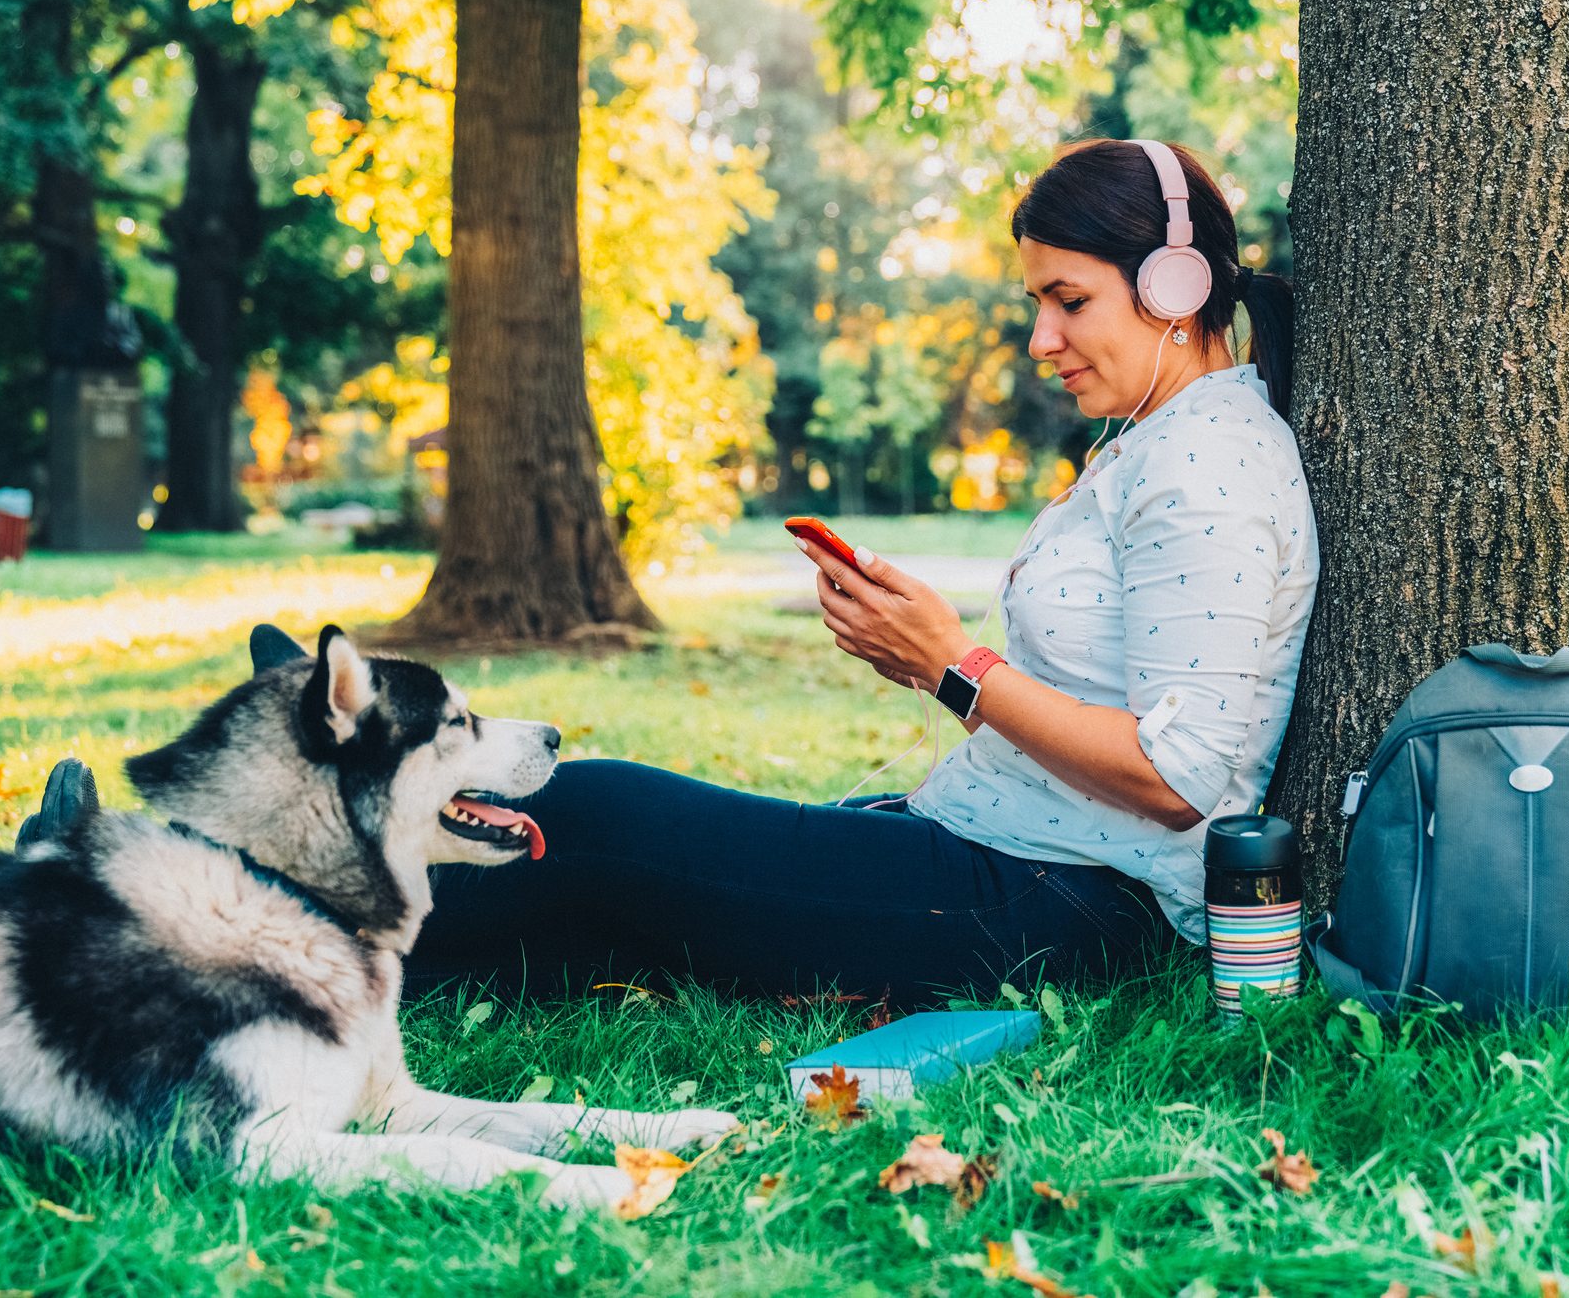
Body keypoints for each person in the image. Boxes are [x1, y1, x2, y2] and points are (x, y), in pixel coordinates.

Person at [404, 139, 1319, 1004]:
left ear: (1175, 284)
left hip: (1076, 898)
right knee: (612, 911)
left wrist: (952, 669)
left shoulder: (1210, 468)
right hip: (1005, 843)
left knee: (605, 818)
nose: (1042, 339)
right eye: (1038, 303)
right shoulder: (1150, 444)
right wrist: (921, 654)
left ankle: (306, 927)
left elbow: (1180, 777)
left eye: (1069, 300)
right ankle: (333, 938)